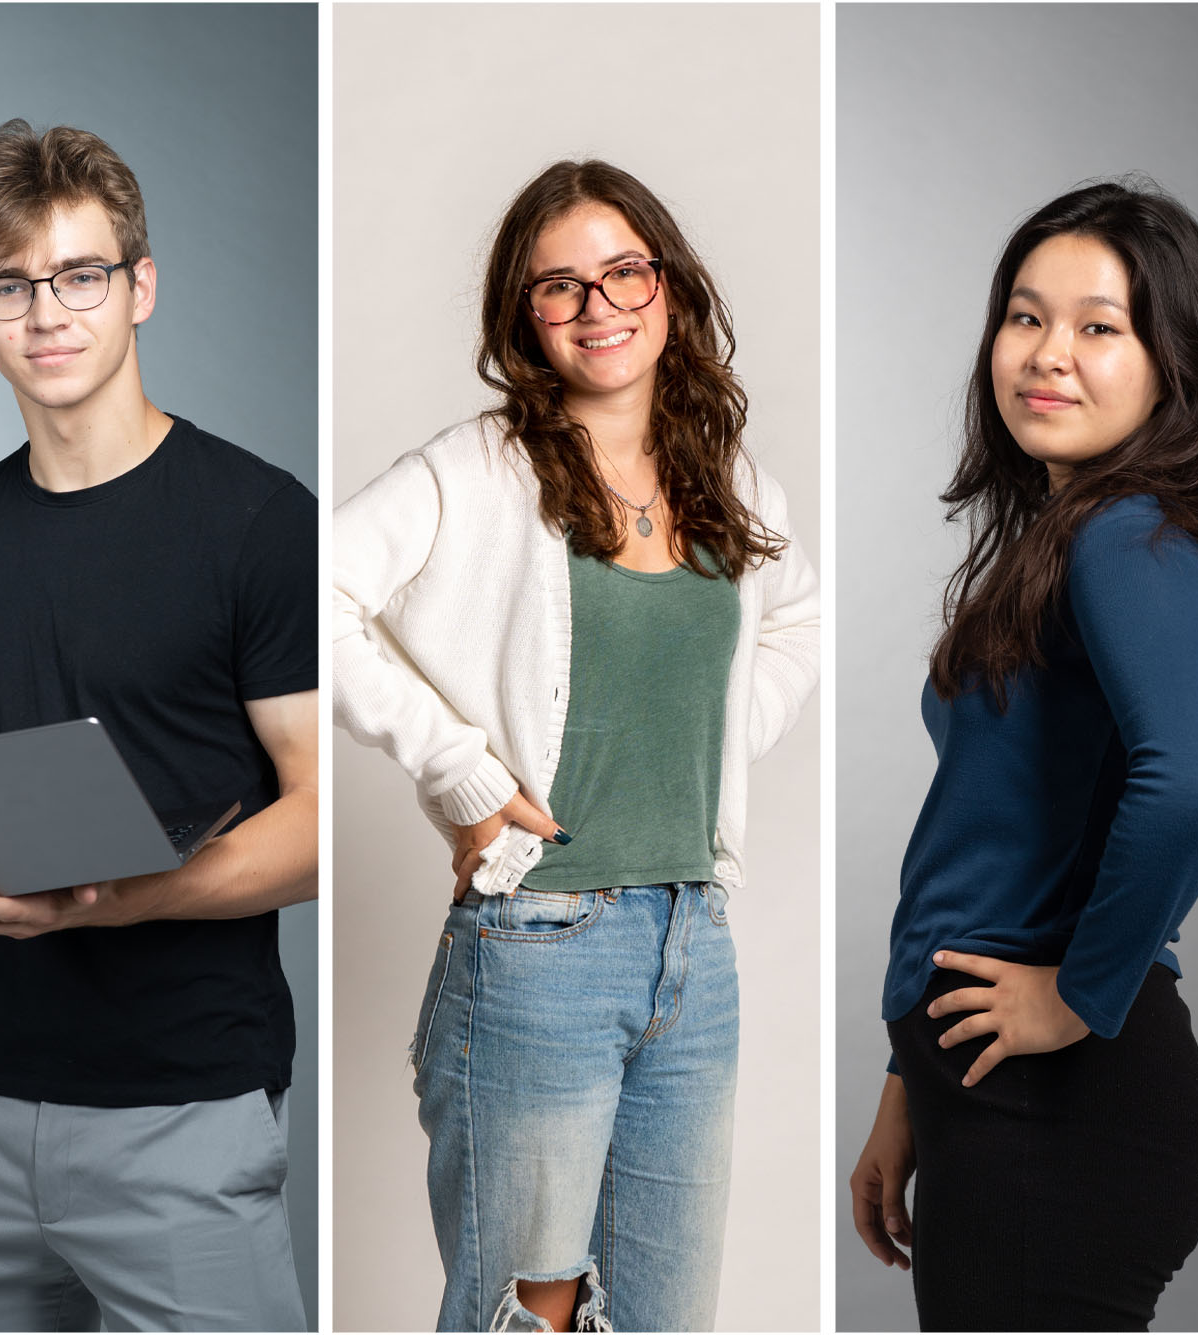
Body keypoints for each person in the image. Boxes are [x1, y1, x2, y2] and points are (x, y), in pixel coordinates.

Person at [332, 159, 819, 1333]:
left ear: (671, 290)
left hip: (692, 949)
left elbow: (795, 623)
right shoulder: (476, 469)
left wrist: (715, 749)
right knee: (529, 1316)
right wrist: (458, 768)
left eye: (623, 273)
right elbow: (309, 592)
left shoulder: (729, 482)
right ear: (525, 318)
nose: (599, 308)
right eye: (561, 289)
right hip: (536, 948)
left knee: (661, 1317)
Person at [0, 120, 318, 1330]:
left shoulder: (259, 523)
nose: (47, 312)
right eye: (11, 285)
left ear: (139, 286)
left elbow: (324, 821)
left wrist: (123, 897)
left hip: (179, 1111)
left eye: (80, 275)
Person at [847, 180, 1198, 1331]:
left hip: (1061, 1107)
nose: (1046, 355)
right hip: (995, 1092)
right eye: (1024, 316)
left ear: (1169, 364)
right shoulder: (1076, 535)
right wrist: (909, 1085)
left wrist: (1074, 996)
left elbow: (1195, 783)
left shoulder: (1124, 533)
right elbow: (1008, 836)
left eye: (1099, 327)